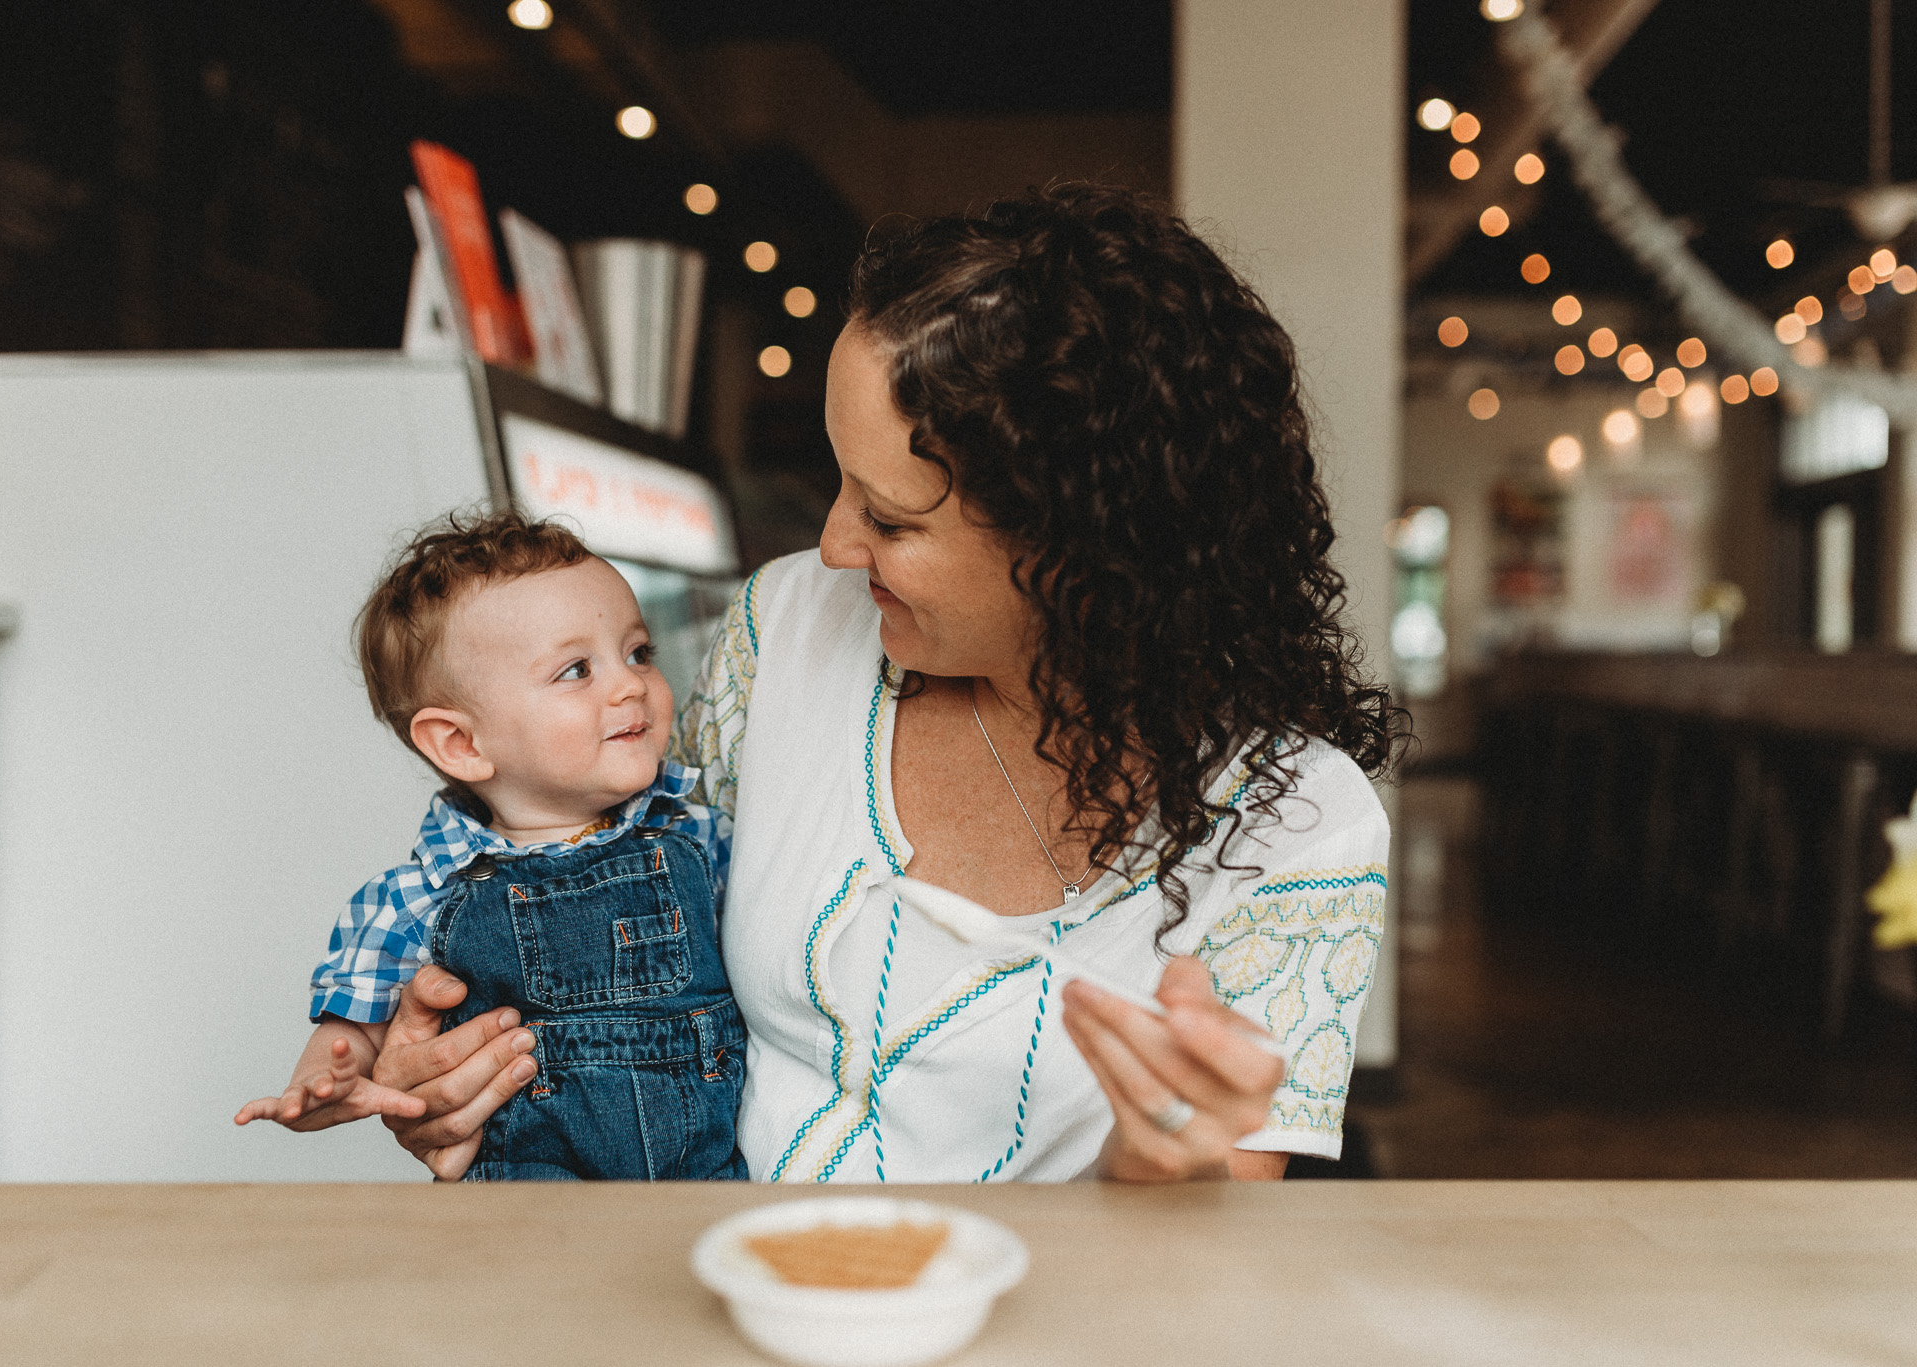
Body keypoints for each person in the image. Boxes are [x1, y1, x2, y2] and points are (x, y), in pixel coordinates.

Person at [303, 183, 1397, 1183]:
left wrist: (1171, 1155)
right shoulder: (780, 629)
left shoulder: (1295, 822)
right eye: (839, 484)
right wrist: (463, 1066)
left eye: (889, 517)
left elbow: (1205, 1234)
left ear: (1079, 543)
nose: (830, 544)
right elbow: (626, 905)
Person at [234, 513, 746, 1181]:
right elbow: (355, 1027)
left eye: (638, 652)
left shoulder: (698, 836)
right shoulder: (419, 896)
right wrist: (323, 1081)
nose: (630, 684)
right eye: (576, 669)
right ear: (462, 744)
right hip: (526, 1201)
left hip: (708, 1182)